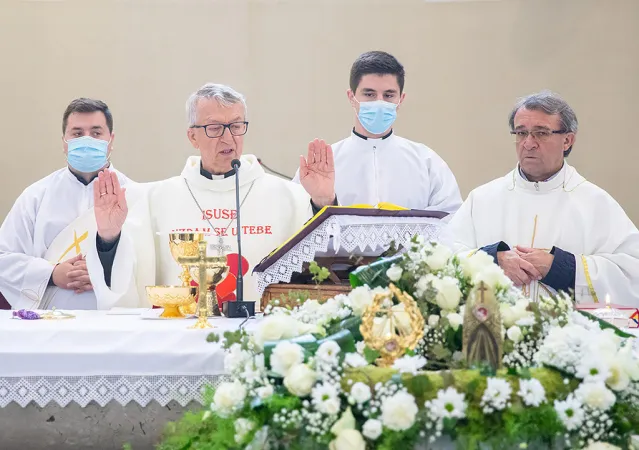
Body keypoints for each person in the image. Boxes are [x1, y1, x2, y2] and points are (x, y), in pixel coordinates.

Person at [85, 83, 337, 308]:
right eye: (215, 128)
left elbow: (324, 265)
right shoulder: (155, 199)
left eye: (236, 126)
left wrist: (323, 202)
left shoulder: (289, 197)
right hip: (178, 337)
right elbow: (127, 277)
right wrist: (109, 238)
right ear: (192, 136)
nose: (228, 137)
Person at [450, 91, 639, 305]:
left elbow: (632, 273)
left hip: (573, 334)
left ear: (567, 140)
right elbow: (444, 260)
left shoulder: (595, 203)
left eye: (541, 133)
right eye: (521, 133)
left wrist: (562, 267)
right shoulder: (482, 199)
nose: (528, 143)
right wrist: (493, 259)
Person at [0, 98, 133, 310]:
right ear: (64, 141)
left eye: (96, 133)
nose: (87, 140)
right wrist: (52, 273)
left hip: (113, 324)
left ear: (111, 139)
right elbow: (3, 259)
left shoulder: (134, 195)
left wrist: (103, 271)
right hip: (49, 324)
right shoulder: (36, 196)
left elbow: (148, 265)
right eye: (78, 133)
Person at [293, 50, 462, 214]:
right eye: (369, 94)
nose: (379, 102)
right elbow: (293, 223)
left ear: (400, 99)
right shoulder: (321, 166)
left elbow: (452, 221)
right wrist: (322, 202)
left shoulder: (426, 162)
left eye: (389, 95)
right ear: (351, 97)